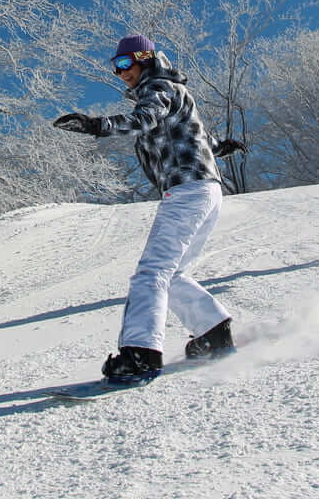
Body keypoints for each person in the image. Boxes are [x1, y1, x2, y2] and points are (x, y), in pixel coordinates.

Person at [53, 34, 235, 383]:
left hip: (187, 191)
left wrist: (97, 125)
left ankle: (141, 355)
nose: (120, 73)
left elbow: (144, 119)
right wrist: (219, 147)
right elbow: (194, 134)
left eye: (125, 64)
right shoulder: (173, 92)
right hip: (204, 189)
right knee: (173, 273)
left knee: (151, 273)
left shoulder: (158, 88)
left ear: (144, 59)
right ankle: (213, 331)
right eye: (115, 67)